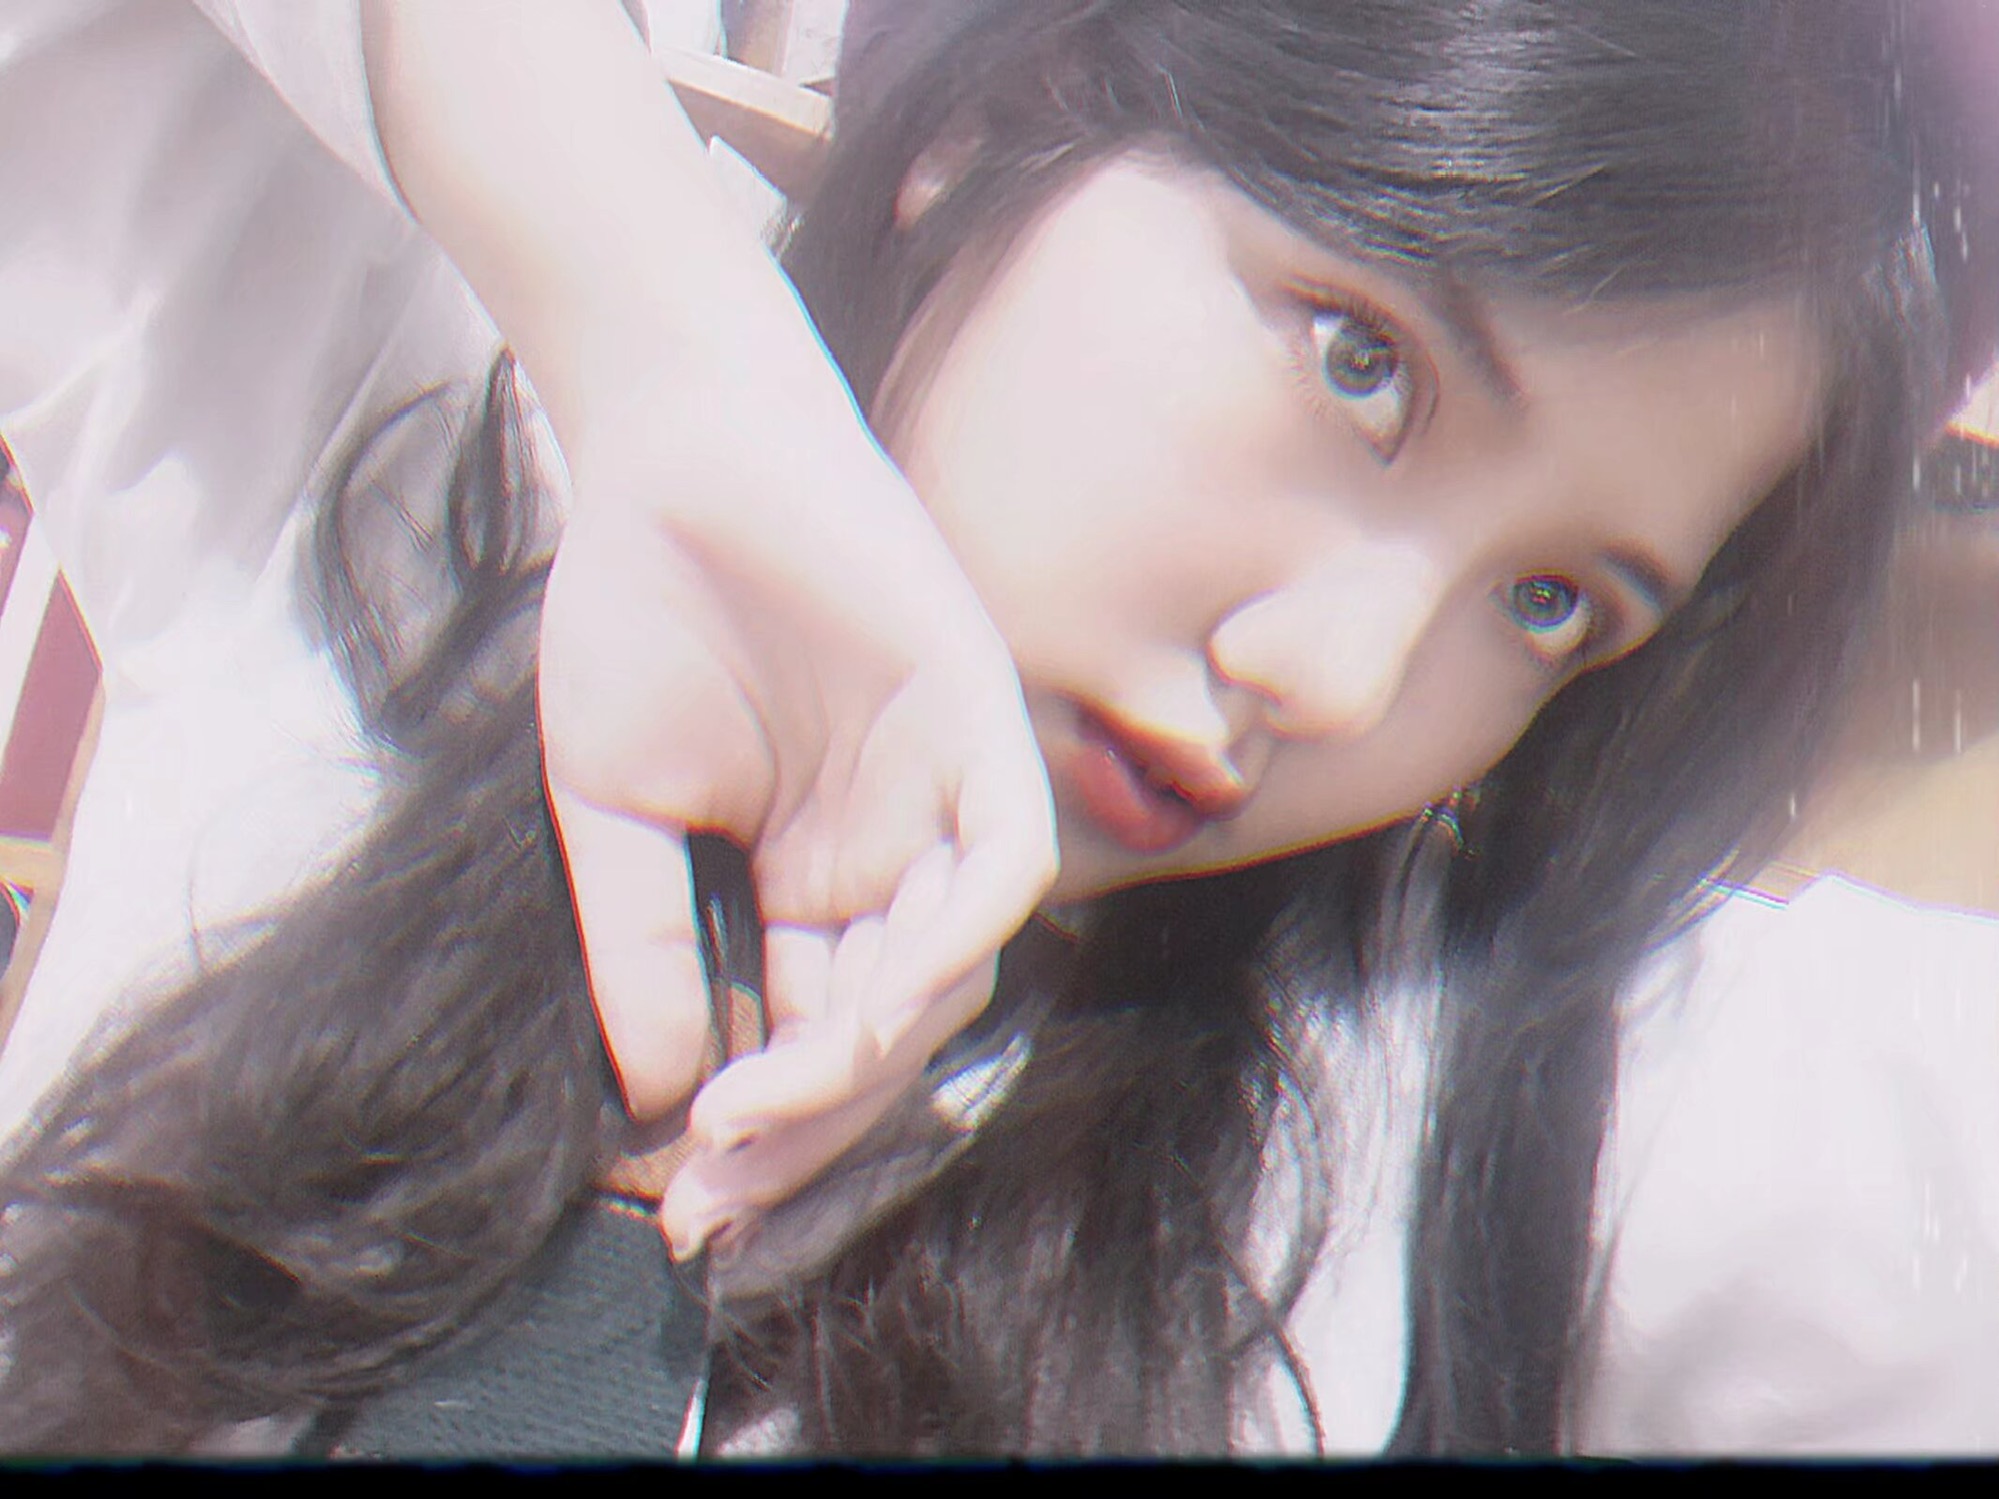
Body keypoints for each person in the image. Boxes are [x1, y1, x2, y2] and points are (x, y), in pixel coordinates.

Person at [3, 0, 1998, 1459]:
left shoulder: (1511, 1106)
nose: (1345, 681)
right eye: (1360, 363)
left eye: (1553, 602)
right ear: (1002, 118)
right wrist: (659, 349)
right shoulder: (408, 490)